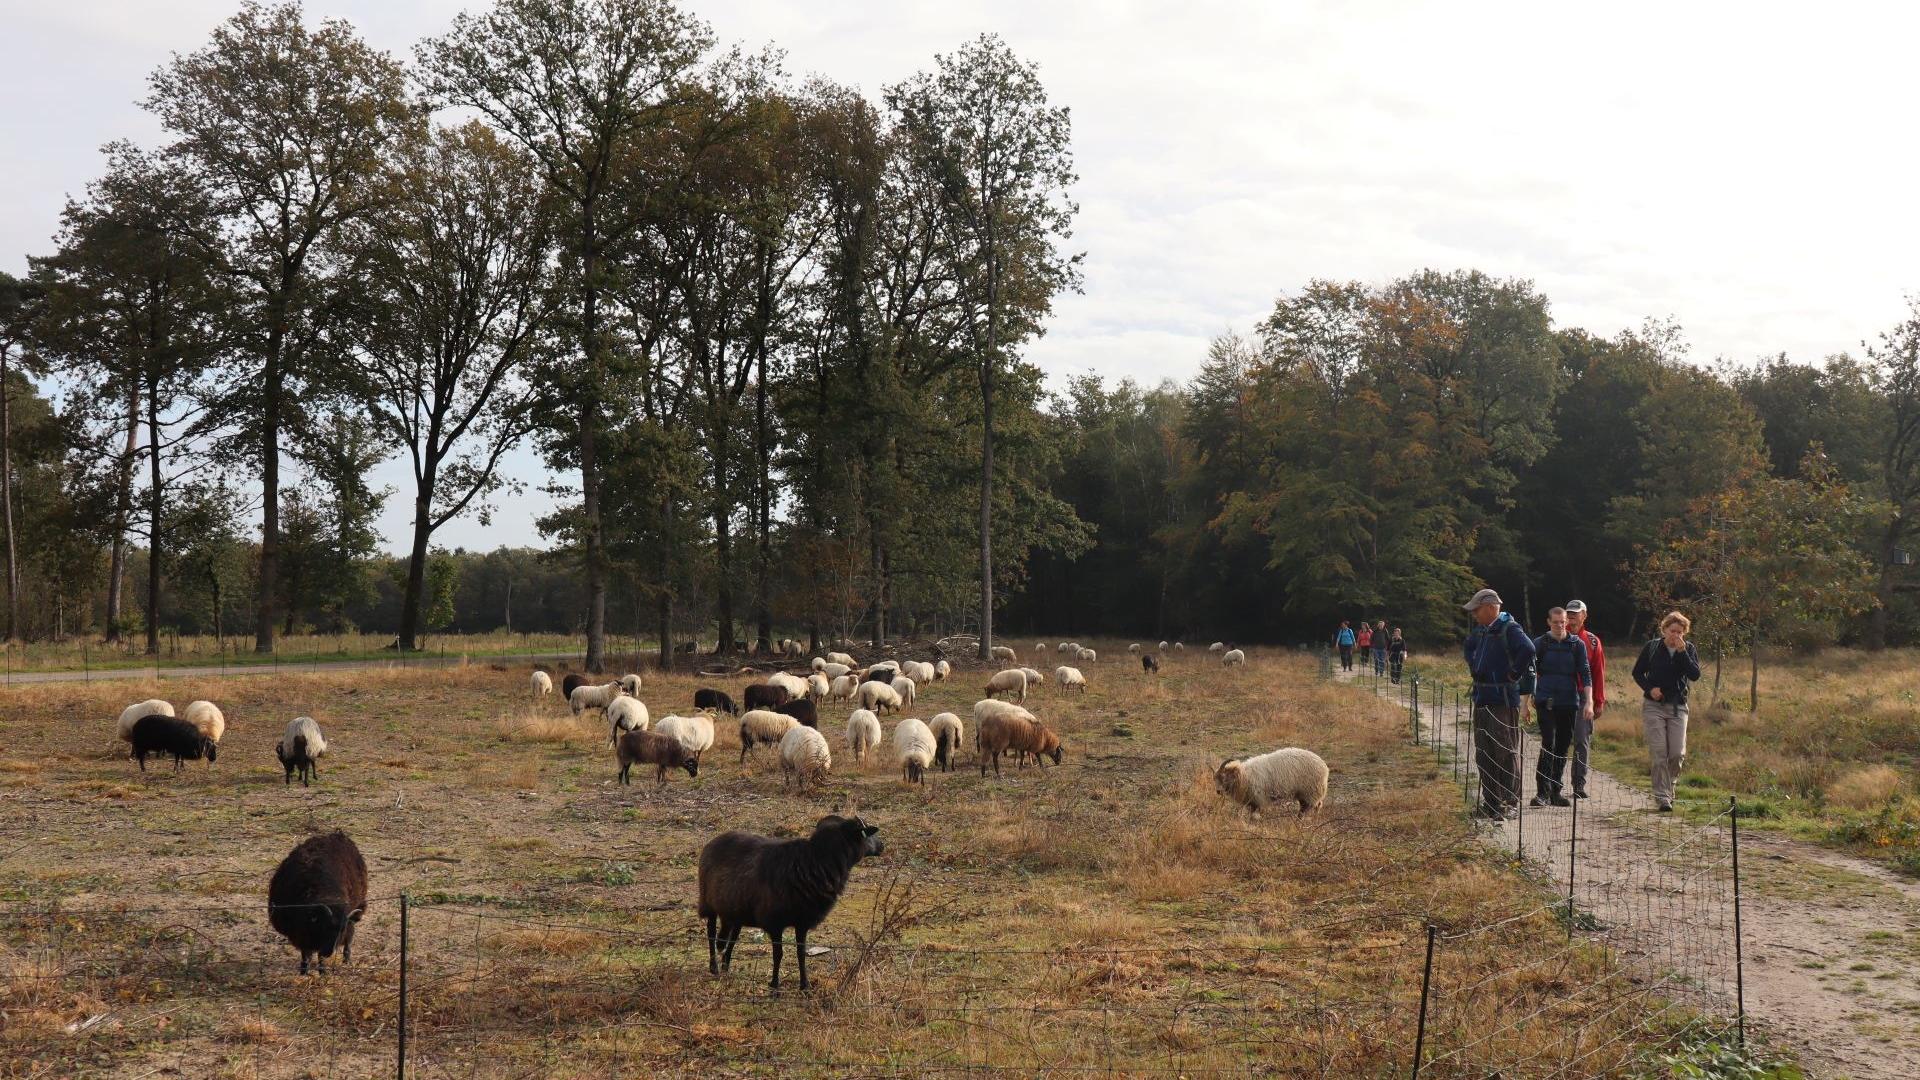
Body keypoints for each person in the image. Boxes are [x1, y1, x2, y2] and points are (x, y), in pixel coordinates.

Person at [1461, 588, 1536, 821]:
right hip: (1482, 698)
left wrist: (1513, 674)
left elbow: (1528, 649)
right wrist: (1475, 667)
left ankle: (1510, 803)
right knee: (1484, 753)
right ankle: (1491, 804)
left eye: (1477, 610)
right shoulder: (1482, 631)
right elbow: (1468, 647)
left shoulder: (1509, 629)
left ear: (1491, 607)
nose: (1474, 614)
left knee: (1505, 751)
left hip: (1503, 701)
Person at [1630, 611, 1701, 812]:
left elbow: (1694, 675)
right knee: (1659, 752)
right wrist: (1649, 688)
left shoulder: (1689, 649)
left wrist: (1682, 652)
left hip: (1678, 706)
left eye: (1680, 632)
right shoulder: (1652, 647)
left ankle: (1671, 787)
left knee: (1677, 753)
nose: (1675, 636)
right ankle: (1662, 796)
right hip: (1654, 706)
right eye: (1672, 631)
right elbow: (1637, 672)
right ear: (1664, 630)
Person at [1529, 607, 1591, 808]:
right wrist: (1525, 702)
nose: (1560, 625)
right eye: (1555, 622)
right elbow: (1529, 673)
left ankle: (1556, 790)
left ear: (1567, 622)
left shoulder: (1577, 645)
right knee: (1549, 742)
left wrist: (1589, 701)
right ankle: (1542, 792)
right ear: (1548, 622)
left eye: (1563, 621)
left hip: (1569, 701)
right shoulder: (1540, 644)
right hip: (1545, 701)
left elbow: (1585, 673)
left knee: (1563, 746)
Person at [1565, 599, 1605, 799]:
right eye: (1569, 613)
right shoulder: (1554, 636)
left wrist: (1598, 701)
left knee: (1581, 740)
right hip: (1559, 694)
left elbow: (1598, 673)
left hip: (1583, 696)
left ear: (1584, 615)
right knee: (1557, 741)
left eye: (1576, 613)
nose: (1572, 617)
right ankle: (1551, 784)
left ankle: (1578, 784)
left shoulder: (1593, 641)